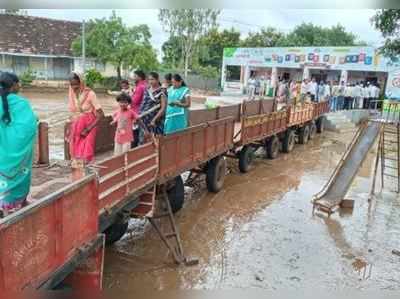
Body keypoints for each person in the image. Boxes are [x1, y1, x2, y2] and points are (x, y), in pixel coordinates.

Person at [0, 73, 37, 216]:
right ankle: (19, 201)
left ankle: (3, 204)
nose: (20, 86)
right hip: (18, 147)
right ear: (14, 85)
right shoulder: (22, 103)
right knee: (22, 172)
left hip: (2, 147)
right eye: (19, 83)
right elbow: (28, 126)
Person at [68, 72, 104, 165]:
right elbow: (74, 112)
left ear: (82, 82)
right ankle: (79, 173)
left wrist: (88, 129)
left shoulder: (90, 94)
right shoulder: (72, 94)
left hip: (89, 124)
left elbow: (101, 114)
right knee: (76, 150)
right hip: (77, 124)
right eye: (72, 84)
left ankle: (86, 173)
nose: (74, 87)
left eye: (76, 84)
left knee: (86, 151)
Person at [140, 72, 167, 137]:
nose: (150, 81)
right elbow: (143, 104)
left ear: (157, 80)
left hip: (156, 121)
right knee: (144, 142)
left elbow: (163, 108)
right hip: (144, 120)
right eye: (149, 79)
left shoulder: (162, 91)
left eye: (152, 79)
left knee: (157, 141)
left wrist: (154, 119)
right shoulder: (147, 90)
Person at [131, 70, 147, 147]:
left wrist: (128, 97)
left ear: (139, 77)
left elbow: (134, 101)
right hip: (143, 112)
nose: (133, 78)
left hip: (137, 113)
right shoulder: (145, 85)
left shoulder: (140, 87)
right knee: (141, 134)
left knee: (136, 135)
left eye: (135, 76)